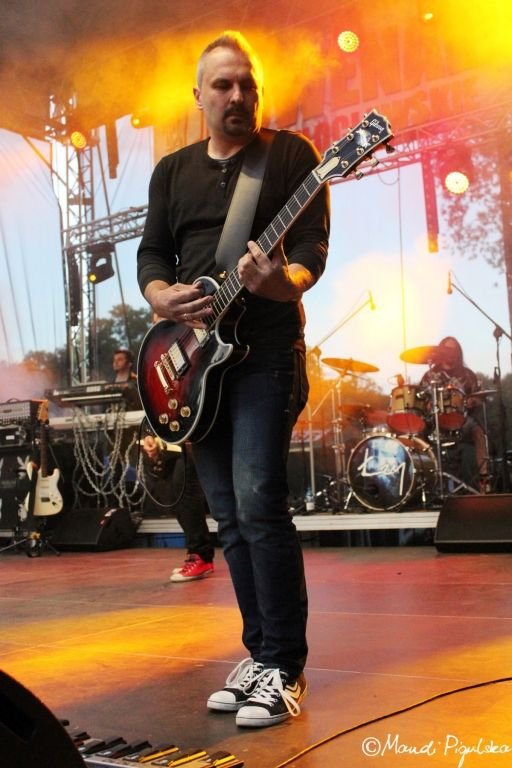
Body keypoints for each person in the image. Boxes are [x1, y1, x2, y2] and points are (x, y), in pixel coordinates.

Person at [137, 30, 329, 728]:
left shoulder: (291, 156)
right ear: (199, 96)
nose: (238, 95)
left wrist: (282, 280)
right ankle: (260, 652)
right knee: (228, 516)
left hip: (264, 355)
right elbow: (152, 253)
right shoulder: (172, 171)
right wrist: (160, 296)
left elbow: (309, 253)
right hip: (193, 366)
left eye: (248, 84)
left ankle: (285, 665)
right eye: (223, 84)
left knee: (258, 502)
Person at [419, 336, 490, 492]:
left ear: (458, 352)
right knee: (416, 433)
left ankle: (484, 481)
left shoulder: (467, 375)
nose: (450, 352)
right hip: (435, 421)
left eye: (453, 349)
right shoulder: (430, 375)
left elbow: (481, 397)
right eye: (446, 349)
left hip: (461, 421)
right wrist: (426, 404)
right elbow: (419, 400)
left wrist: (472, 401)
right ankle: (422, 485)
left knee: (478, 431)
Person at [140, 434, 215, 582]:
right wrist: (151, 436)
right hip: (172, 443)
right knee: (177, 496)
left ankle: (201, 555)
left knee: (186, 493)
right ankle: (199, 555)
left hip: (190, 439)